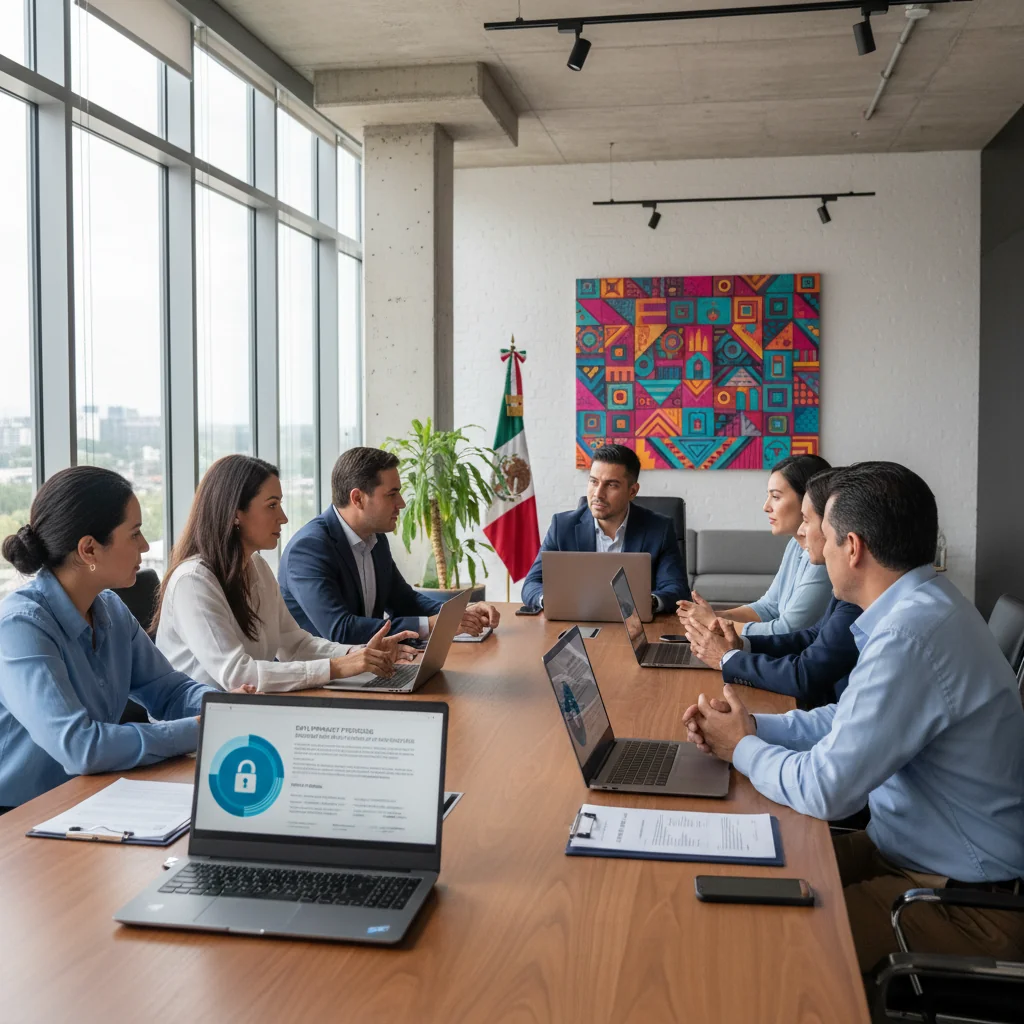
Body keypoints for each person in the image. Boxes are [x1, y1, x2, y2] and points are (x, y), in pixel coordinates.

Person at [682, 462, 1024, 975]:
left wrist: (742, 748)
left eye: (825, 536)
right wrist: (751, 725)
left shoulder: (911, 636)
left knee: (763, 950)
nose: (816, 551)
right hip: (907, 855)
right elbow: (845, 719)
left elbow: (828, 790)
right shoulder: (926, 606)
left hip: (960, 904)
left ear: (854, 548)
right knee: (740, 880)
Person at [0, 467, 230, 811]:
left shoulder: (110, 608)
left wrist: (229, 709)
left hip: (89, 798)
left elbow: (170, 691)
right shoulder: (21, 627)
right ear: (89, 550)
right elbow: (81, 747)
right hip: (20, 818)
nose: (146, 545)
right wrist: (200, 728)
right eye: (134, 533)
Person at [155, 456, 416, 693]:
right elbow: (237, 675)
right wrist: (337, 667)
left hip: (245, 713)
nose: (283, 518)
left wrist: (360, 654)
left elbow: (295, 644)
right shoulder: (193, 581)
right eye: (272, 505)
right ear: (236, 514)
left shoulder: (256, 566)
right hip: (196, 729)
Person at [279, 447, 500, 646]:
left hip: (367, 666)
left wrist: (458, 613)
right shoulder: (309, 548)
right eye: (392, 494)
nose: (402, 503)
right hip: (320, 681)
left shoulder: (375, 537)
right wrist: (430, 625)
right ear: (357, 499)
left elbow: (404, 600)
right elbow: (340, 629)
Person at [683, 468, 860, 706]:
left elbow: (803, 667)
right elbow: (807, 632)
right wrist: (735, 639)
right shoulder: (847, 589)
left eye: (776, 496)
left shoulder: (851, 589)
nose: (766, 506)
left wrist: (727, 656)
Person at [677, 453, 833, 636]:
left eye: (776, 497)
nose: (766, 507)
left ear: (809, 500)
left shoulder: (824, 558)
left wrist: (713, 623)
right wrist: (715, 616)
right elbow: (768, 607)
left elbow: (788, 630)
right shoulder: (795, 544)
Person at [521, 444, 689, 611]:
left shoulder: (659, 529)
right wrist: (552, 600)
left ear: (632, 491)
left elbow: (677, 589)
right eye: (594, 482)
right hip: (576, 623)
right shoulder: (562, 527)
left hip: (635, 626)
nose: (598, 494)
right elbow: (531, 584)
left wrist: (647, 602)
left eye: (611, 485)